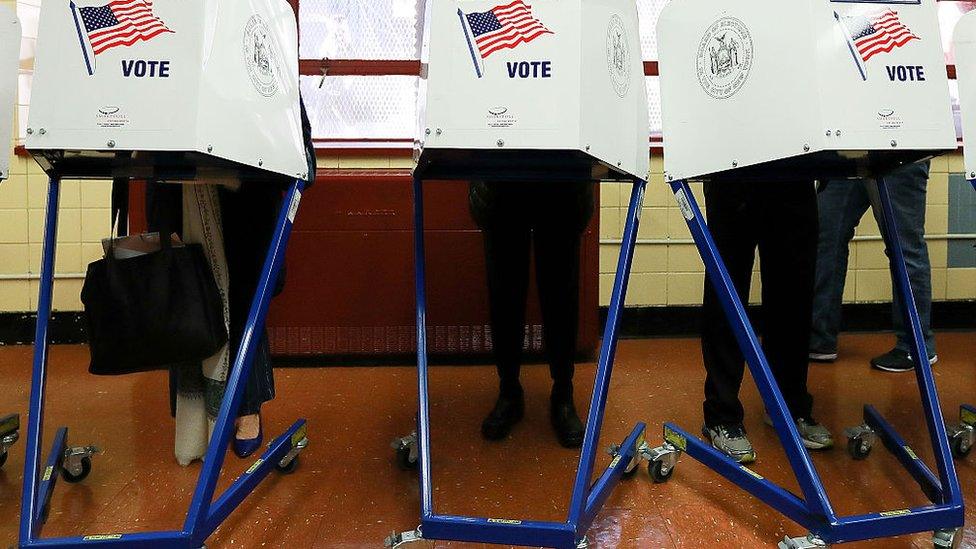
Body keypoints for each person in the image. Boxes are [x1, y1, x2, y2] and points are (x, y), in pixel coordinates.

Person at [149, 102, 316, 464]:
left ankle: (247, 408)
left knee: (243, 299)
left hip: (244, 185)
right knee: (188, 295)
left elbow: (294, 130)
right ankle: (198, 413)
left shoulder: (260, 45)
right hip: (179, 180)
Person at [700, 179, 833, 463]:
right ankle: (721, 415)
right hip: (730, 169)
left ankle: (788, 406)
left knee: (794, 294)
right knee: (727, 293)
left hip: (793, 167)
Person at [469, 180, 593, 448]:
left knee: (561, 292)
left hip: (561, 179)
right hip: (503, 177)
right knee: (504, 292)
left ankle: (563, 391)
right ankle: (509, 390)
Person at [809, 161, 936, 372]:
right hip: (849, 150)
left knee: (904, 246)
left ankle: (914, 347)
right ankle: (819, 339)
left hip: (899, 152)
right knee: (825, 238)